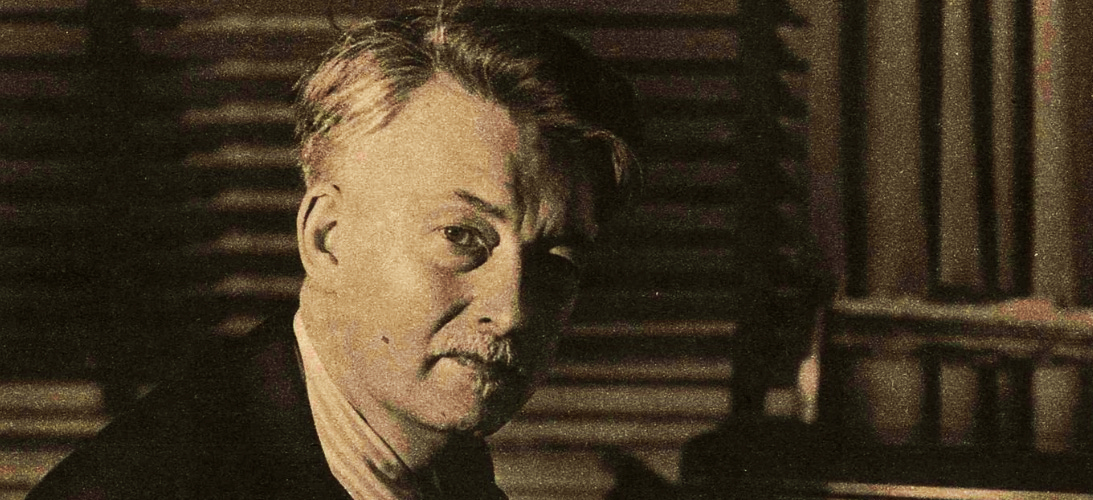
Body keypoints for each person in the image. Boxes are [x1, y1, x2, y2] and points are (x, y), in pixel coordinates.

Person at [28, 5, 639, 499]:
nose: (512, 312)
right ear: (327, 239)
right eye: (461, 236)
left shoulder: (437, 462)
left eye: (555, 260)